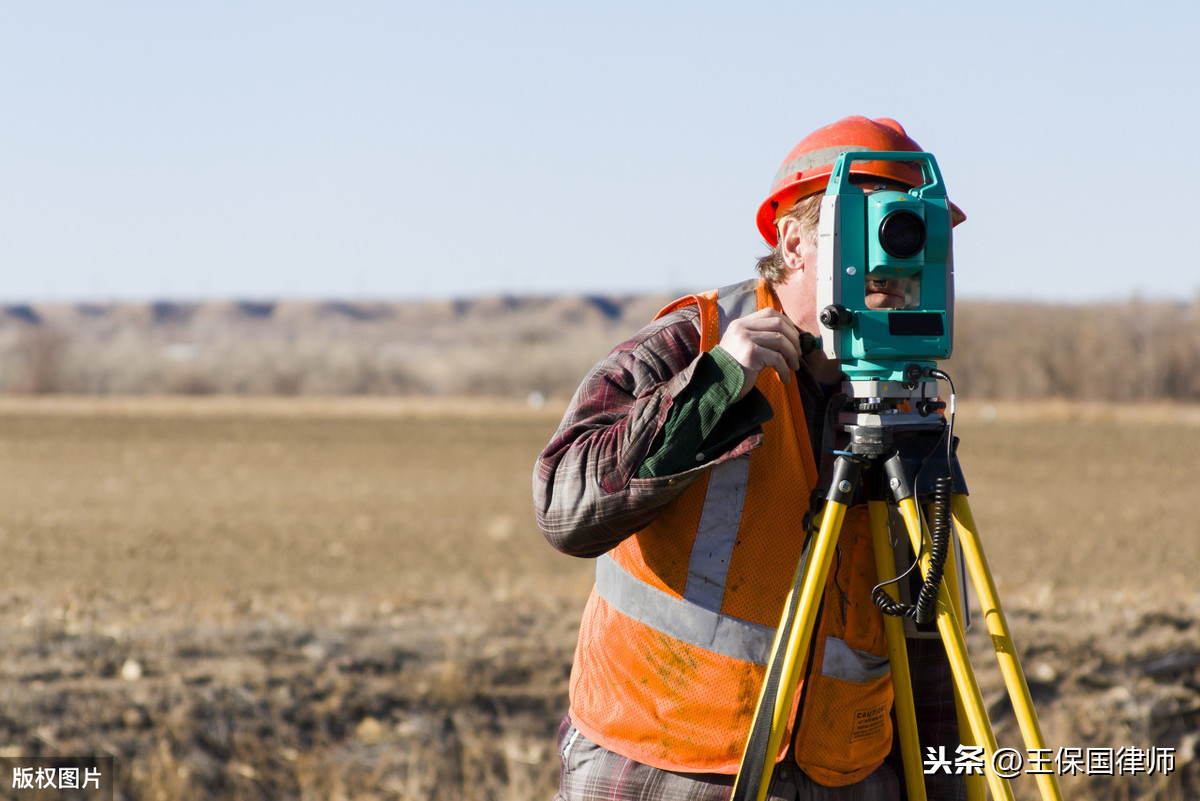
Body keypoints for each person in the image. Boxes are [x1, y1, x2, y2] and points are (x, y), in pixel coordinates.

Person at [533, 116, 968, 801]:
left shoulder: (909, 395)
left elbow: (931, 632)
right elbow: (563, 505)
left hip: (846, 776)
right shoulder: (695, 341)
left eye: (917, 231)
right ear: (793, 241)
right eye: (877, 228)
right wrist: (711, 391)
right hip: (664, 764)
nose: (899, 258)